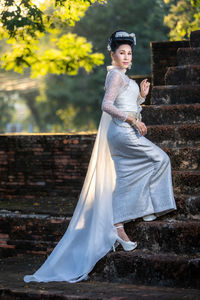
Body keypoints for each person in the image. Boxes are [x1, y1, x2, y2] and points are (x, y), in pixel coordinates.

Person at [24, 30, 176, 284]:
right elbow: (106, 106)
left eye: (129, 53)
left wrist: (141, 96)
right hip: (123, 132)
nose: (126, 57)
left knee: (127, 176)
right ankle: (149, 209)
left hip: (121, 132)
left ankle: (118, 226)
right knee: (160, 159)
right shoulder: (115, 75)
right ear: (113, 54)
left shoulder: (122, 77)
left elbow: (127, 105)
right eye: (122, 53)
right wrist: (131, 120)